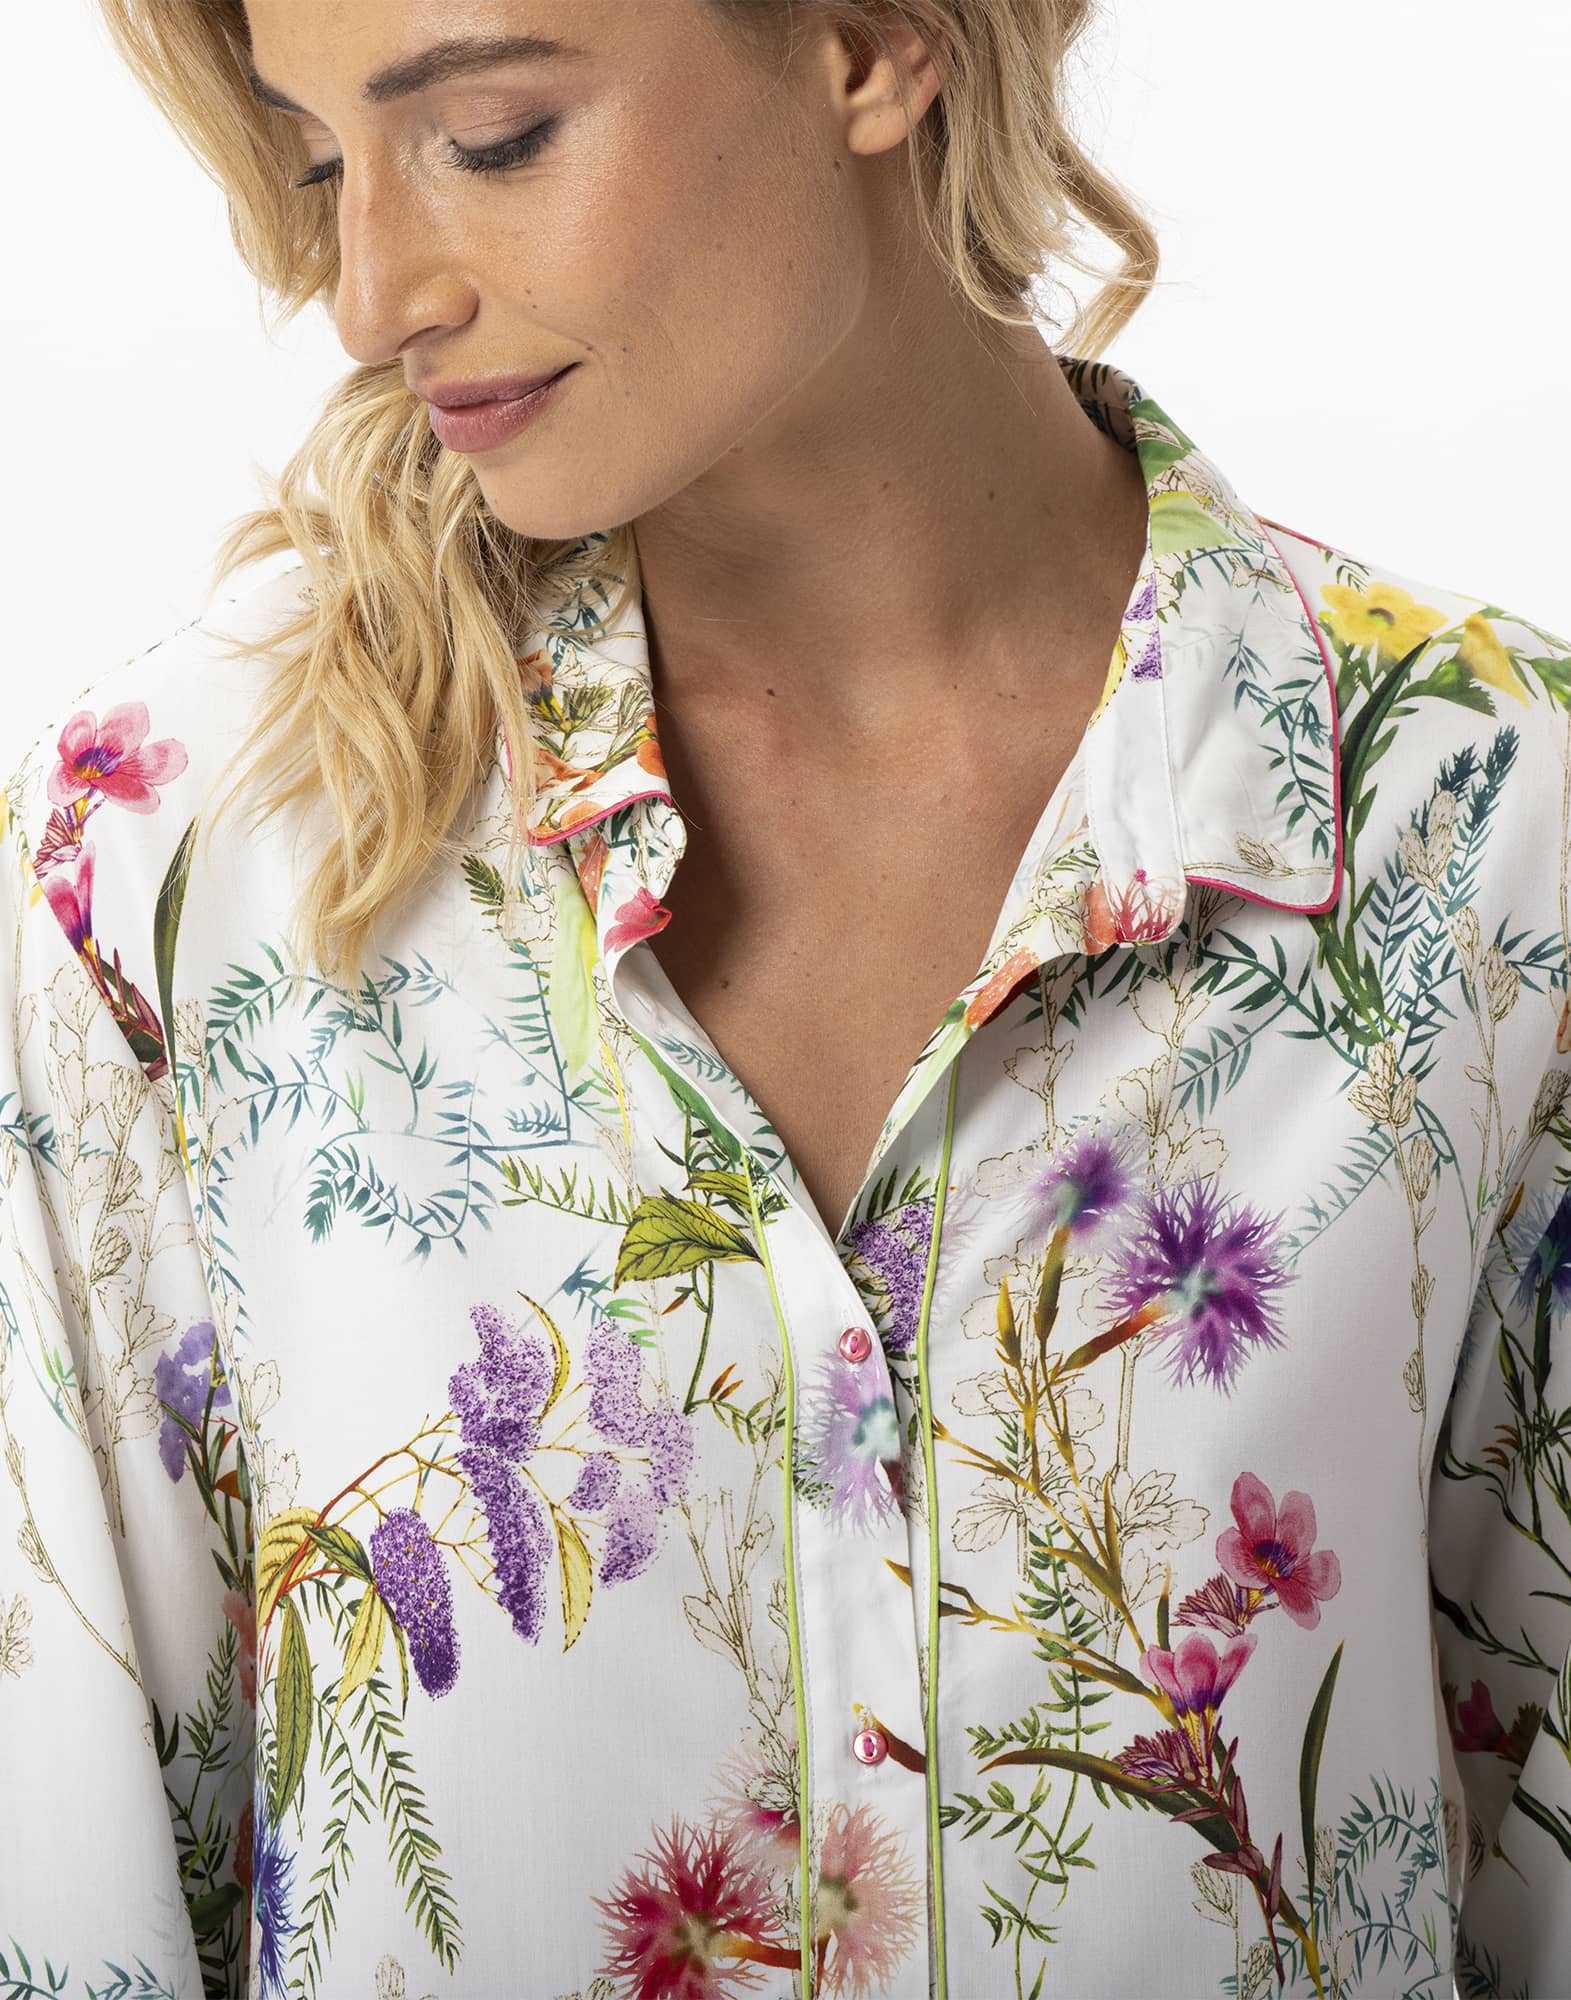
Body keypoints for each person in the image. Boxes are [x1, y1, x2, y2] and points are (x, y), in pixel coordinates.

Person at [2, 1, 1567, 1995]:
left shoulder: (1483, 822)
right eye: (322, 161)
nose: (373, 296)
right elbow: (74, 1888)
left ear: (871, 45)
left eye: (489, 136)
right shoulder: (180, 857)